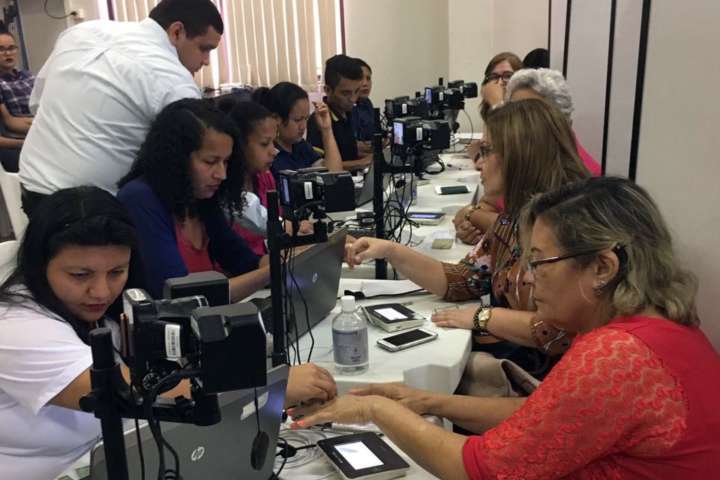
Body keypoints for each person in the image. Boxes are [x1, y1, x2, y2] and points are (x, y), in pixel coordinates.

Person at [289, 176, 720, 479]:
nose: (528, 279)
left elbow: (476, 469)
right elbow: (546, 420)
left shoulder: (615, 356)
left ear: (602, 267)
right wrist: (425, 401)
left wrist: (376, 410)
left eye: (540, 264)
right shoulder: (657, 326)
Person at [0, 186, 337, 479]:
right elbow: (132, 392)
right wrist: (268, 388)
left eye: (117, 271)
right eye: (79, 275)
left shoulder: (105, 310)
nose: (101, 291)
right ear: (38, 265)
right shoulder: (17, 327)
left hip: (119, 457)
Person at [347, 99, 590, 373]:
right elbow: (462, 280)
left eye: (487, 152)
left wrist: (481, 317)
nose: (478, 164)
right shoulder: (512, 220)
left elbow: (557, 332)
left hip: (546, 379)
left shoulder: (568, 229)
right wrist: (391, 251)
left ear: (520, 154)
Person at [18, 0, 223, 215]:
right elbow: (198, 165)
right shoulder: (174, 80)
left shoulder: (81, 31)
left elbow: (37, 103)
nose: (207, 61)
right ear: (177, 32)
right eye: (204, 48)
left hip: (32, 187)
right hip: (90, 211)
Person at [117, 98, 266, 302]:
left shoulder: (200, 197)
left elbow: (243, 261)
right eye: (210, 161)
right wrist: (271, 272)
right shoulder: (140, 199)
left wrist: (291, 259)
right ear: (176, 158)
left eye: (226, 162)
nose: (221, 174)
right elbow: (179, 296)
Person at [454, 68, 603, 245]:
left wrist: (474, 216)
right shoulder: (519, 166)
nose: (519, 121)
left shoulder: (582, 178)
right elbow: (488, 205)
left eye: (530, 114)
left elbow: (527, 232)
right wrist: (472, 219)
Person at [226, 100, 312, 255]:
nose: (274, 151)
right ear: (239, 145)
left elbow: (274, 231)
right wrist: (292, 229)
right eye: (265, 144)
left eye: (274, 142)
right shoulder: (225, 193)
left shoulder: (265, 178)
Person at [505, 68, 601, 175]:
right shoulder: (514, 160)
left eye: (529, 116)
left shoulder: (588, 180)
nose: (516, 124)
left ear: (561, 122)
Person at [252, 81, 344, 177]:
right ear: (276, 119)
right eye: (297, 120)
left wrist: (326, 130)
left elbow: (334, 175)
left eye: (306, 119)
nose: (303, 126)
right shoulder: (269, 153)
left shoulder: (300, 146)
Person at [307, 54, 373, 170]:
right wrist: (363, 162)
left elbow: (348, 154)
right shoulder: (319, 120)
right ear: (328, 90)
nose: (353, 99)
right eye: (345, 93)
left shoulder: (349, 112)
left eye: (356, 91)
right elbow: (322, 166)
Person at [0, 26, 34, 171]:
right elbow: (10, 122)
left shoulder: (28, 76)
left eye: (11, 48)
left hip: (38, 122)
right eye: (1, 49)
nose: (8, 53)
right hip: (20, 132)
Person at [352, 57, 376, 155]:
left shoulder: (367, 103)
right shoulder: (346, 107)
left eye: (368, 78)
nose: (365, 83)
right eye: (360, 79)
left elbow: (372, 134)